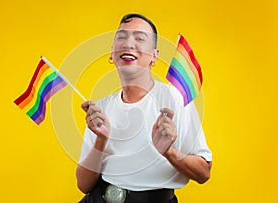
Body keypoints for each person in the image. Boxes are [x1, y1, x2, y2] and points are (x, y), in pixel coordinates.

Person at [76, 13, 212, 203]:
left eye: (139, 38)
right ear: (112, 53)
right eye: (121, 37)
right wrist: (101, 140)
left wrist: (169, 152)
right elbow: (83, 185)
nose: (128, 44)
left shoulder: (175, 98)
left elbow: (203, 173)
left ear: (154, 56)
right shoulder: (101, 108)